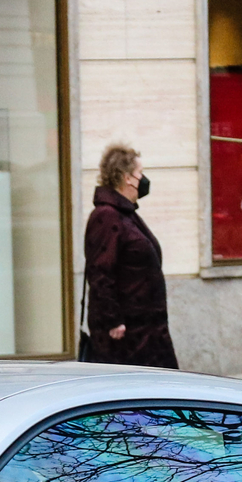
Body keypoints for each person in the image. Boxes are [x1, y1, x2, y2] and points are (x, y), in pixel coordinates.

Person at [81, 143, 177, 368]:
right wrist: (113, 320)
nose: (144, 180)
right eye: (140, 173)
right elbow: (100, 273)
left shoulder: (126, 214)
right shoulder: (106, 216)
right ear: (127, 178)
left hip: (146, 332)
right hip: (127, 338)